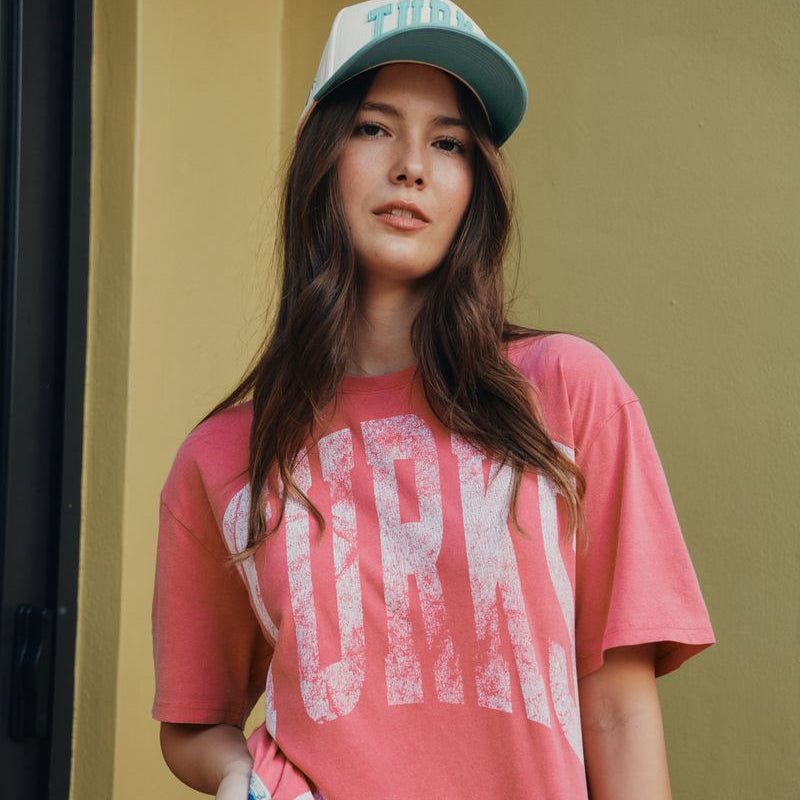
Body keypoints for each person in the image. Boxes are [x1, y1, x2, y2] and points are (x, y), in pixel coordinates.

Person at [152, 2, 715, 799]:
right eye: (376, 128)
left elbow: (620, 708)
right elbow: (191, 719)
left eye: (448, 142)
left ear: (473, 184)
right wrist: (241, 778)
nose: (412, 164)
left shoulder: (564, 393)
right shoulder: (222, 458)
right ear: (323, 152)